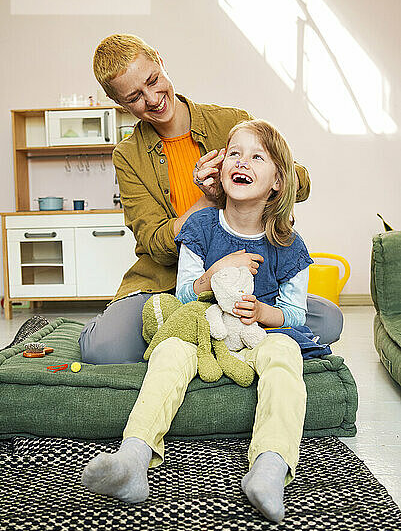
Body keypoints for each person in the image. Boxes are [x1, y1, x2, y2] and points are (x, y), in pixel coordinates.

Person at [81, 119, 314, 524]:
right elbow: (185, 294)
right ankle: (133, 458)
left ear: (278, 181)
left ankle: (270, 468)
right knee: (170, 349)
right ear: (221, 170)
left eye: (257, 157)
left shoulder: (289, 244)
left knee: (286, 351)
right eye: (234, 154)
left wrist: (264, 313)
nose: (242, 161)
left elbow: (294, 314)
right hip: (205, 327)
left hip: (256, 333)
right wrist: (215, 272)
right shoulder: (201, 227)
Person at [78, 33, 343, 365]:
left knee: (329, 320)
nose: (153, 98)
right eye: (135, 97)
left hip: (245, 285)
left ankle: (199, 335)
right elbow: (156, 243)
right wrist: (207, 202)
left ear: (160, 60)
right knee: (101, 350)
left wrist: (258, 179)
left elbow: (299, 182)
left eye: (153, 80)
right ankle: (99, 327)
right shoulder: (128, 156)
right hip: (165, 285)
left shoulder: (231, 123)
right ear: (120, 103)